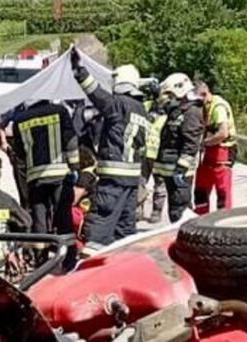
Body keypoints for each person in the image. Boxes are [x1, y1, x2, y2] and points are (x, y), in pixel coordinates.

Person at [71, 50, 149, 245]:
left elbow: (96, 93)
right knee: (125, 233)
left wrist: (79, 69)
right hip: (131, 182)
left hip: (113, 182)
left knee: (97, 230)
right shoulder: (141, 109)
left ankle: (89, 271)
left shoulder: (119, 105)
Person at [9, 99, 80, 235]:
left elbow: (20, 152)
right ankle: (67, 253)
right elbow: (70, 141)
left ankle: (41, 253)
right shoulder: (60, 111)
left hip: (35, 177)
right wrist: (74, 166)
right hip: (60, 174)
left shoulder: (19, 120)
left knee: (39, 218)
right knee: (63, 216)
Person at [154, 73, 205, 222]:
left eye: (171, 94)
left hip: (179, 173)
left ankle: (186, 243)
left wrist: (181, 168)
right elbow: (162, 106)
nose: (169, 98)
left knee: (180, 212)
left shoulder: (191, 112)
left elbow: (191, 143)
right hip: (170, 170)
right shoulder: (177, 111)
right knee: (174, 211)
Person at [193, 80, 237, 214]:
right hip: (210, 150)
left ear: (205, 94)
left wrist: (204, 142)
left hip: (223, 150)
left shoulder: (218, 107)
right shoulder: (205, 106)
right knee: (201, 186)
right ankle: (200, 216)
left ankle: (223, 220)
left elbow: (223, 133)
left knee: (222, 190)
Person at [140, 79, 168, 223]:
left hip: (159, 153)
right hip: (144, 151)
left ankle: (156, 211)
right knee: (140, 182)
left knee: (159, 184)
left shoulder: (169, 111)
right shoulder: (147, 105)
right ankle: (138, 210)